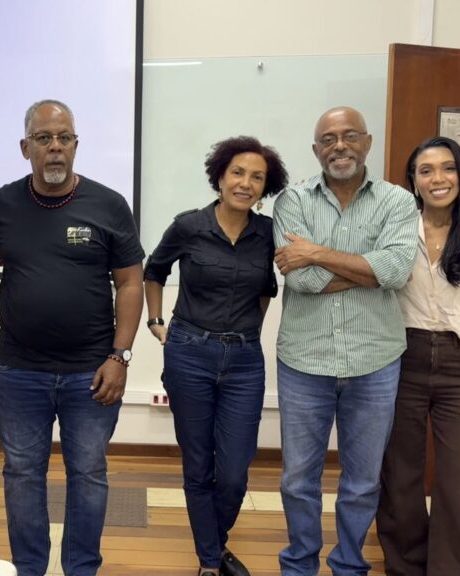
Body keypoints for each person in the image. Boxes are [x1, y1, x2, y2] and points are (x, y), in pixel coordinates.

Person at [0, 100, 145, 576]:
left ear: (75, 145)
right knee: (22, 474)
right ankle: (28, 568)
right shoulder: (3, 204)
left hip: (91, 373)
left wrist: (121, 356)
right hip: (18, 371)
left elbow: (130, 283)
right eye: (44, 138)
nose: (54, 148)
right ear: (25, 146)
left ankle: (80, 569)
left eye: (63, 137)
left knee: (88, 474)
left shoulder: (108, 204)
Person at [272, 106, 419, 576]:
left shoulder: (397, 201)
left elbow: (396, 271)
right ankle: (299, 563)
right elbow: (302, 283)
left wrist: (316, 252)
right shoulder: (291, 201)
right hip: (304, 361)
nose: (340, 145)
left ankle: (349, 564)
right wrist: (368, 269)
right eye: (329, 139)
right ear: (316, 150)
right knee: (298, 480)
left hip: (375, 362)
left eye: (350, 135)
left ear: (368, 142)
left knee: (361, 482)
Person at [144, 136, 288, 576]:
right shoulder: (189, 225)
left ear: (265, 188)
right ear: (221, 177)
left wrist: (248, 332)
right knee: (198, 464)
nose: (245, 183)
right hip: (189, 354)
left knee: (233, 474)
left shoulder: (267, 233)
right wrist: (155, 322)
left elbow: (266, 290)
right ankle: (210, 561)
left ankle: (215, 544)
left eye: (257, 177)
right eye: (238, 173)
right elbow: (154, 270)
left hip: (244, 361)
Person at [376, 136, 460, 576]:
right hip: (401, 360)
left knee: (458, 480)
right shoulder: (396, 231)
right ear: (413, 182)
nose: (438, 178)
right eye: (426, 170)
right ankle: (406, 567)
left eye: (447, 168)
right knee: (399, 476)